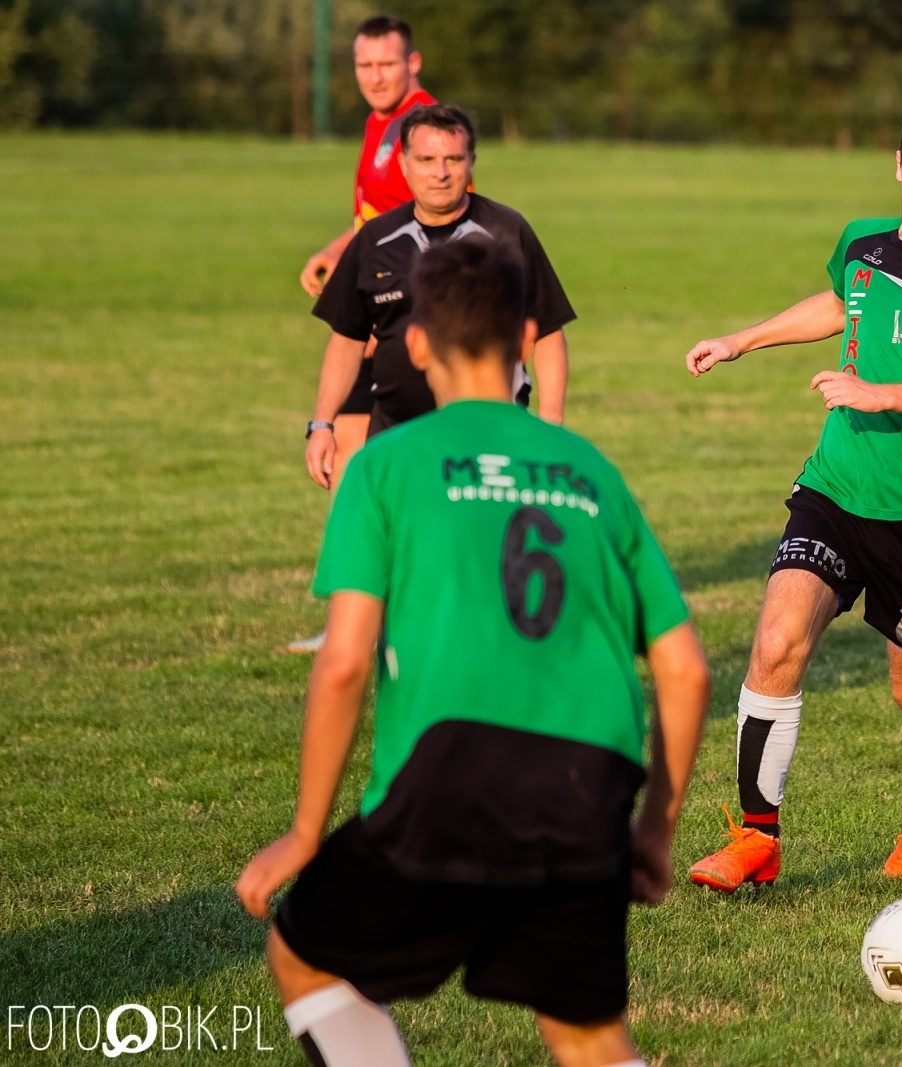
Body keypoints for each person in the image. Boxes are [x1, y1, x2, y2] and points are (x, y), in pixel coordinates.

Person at [237, 237, 710, 1067]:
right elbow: (685, 668)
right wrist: (654, 830)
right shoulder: (590, 470)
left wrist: (308, 830)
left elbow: (344, 660)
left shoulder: (385, 464)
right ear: (526, 336)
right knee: (588, 1035)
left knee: (305, 954)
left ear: (415, 343)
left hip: (450, 774)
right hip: (586, 785)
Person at [681, 88, 902, 892]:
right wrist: (742, 339)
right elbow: (838, 304)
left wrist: (886, 395)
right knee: (775, 641)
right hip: (834, 487)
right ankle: (758, 836)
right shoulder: (861, 242)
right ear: (896, 165)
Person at [305, 103, 575, 495]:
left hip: (490, 433)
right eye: (427, 159)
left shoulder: (507, 232)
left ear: (471, 163)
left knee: (480, 547)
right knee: (396, 548)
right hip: (395, 434)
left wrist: (549, 425)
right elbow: (347, 338)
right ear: (404, 163)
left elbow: (548, 331)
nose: (440, 172)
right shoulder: (374, 240)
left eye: (453, 158)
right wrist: (322, 424)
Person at [284, 14, 436, 654]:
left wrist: (379, 314)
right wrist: (336, 250)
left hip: (406, 324)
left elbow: (420, 224)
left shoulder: (422, 127)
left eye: (386, 65)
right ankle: (363, 613)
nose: (375, 77)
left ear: (413, 64)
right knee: (353, 467)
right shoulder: (382, 121)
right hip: (382, 313)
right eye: (364, 66)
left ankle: (377, 615)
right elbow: (374, 221)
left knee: (379, 471)